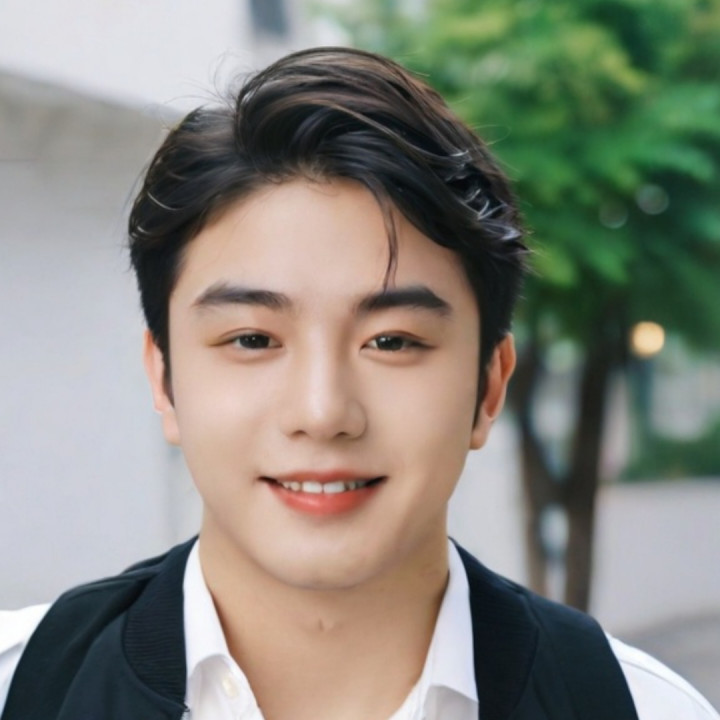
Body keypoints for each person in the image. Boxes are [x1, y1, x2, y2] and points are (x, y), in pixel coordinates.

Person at [0, 47, 717, 720]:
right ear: (164, 377)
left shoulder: (644, 709)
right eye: (252, 339)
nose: (322, 412)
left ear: (489, 386)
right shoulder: (24, 689)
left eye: (392, 341)